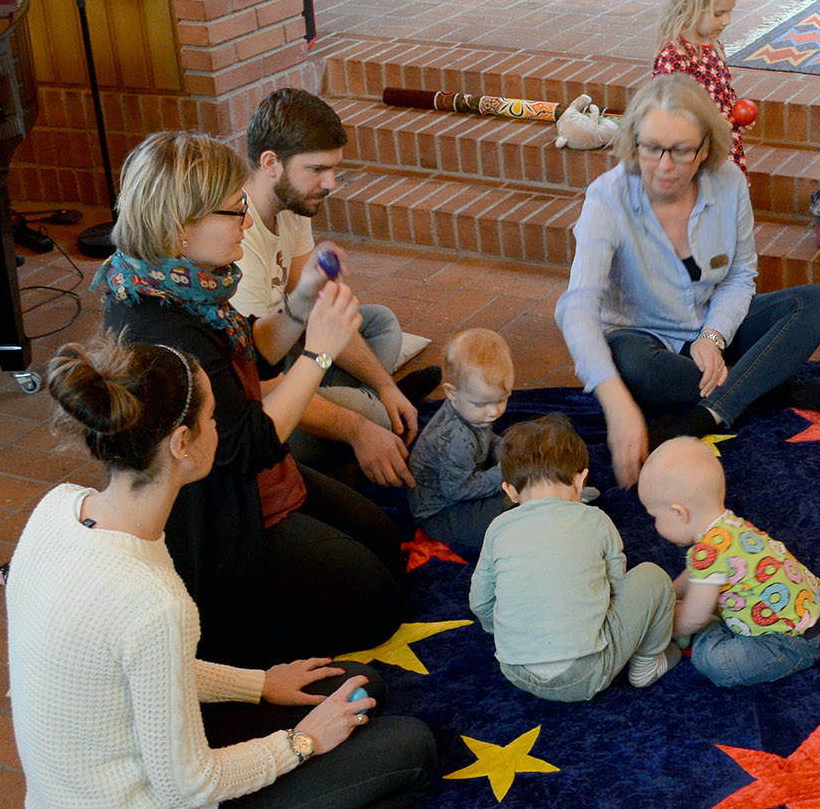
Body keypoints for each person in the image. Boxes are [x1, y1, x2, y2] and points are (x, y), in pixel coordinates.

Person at [6, 336, 435, 809]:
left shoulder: (59, 508)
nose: (227, 425)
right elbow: (188, 782)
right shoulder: (154, 601)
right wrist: (302, 744)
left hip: (87, 805)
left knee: (361, 689)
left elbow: (134, 668)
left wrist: (262, 686)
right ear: (182, 444)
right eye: (215, 416)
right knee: (412, 753)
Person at [98, 131, 406, 668]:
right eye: (234, 210)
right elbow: (248, 442)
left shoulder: (181, 284)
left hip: (253, 477)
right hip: (224, 512)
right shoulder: (160, 328)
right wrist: (319, 354)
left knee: (383, 544)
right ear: (180, 229)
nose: (246, 219)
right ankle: (234, 660)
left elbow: (252, 354)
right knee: (376, 605)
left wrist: (300, 303)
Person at [556, 74, 820, 489]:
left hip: (710, 331)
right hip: (640, 340)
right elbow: (577, 306)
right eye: (651, 148)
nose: (665, 166)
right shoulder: (607, 197)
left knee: (816, 303)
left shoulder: (728, 182)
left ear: (705, 148)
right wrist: (617, 407)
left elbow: (741, 275)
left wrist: (713, 336)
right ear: (633, 141)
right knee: (636, 368)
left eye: (682, 151)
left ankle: (704, 414)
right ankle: (767, 386)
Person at [236, 87, 434, 487]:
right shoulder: (237, 240)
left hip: (286, 349)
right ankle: (371, 415)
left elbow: (312, 309)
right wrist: (358, 428)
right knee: (371, 420)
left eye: (334, 169)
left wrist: (383, 383)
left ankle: (378, 396)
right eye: (317, 170)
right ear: (271, 162)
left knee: (379, 322)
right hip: (256, 400)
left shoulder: (292, 204)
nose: (331, 183)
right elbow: (256, 384)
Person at [469, 416, 678, 702]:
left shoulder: (498, 528)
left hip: (515, 669)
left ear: (511, 491)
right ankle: (646, 665)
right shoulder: (596, 520)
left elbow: (479, 601)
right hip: (586, 674)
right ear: (581, 480)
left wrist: (513, 629)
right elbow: (615, 589)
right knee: (654, 577)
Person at [637, 436, 820, 688]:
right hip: (812, 613)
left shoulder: (708, 553)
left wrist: (662, 627)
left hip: (789, 644)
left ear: (679, 513)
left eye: (655, 517)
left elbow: (693, 617)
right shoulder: (728, 526)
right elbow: (696, 574)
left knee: (715, 662)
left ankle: (713, 631)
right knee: (702, 599)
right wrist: (672, 592)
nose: (655, 525)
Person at [409, 328, 514, 552]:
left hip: (462, 485)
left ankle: (549, 492)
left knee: (517, 478)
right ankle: (546, 501)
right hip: (442, 513)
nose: (493, 412)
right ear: (452, 393)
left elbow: (484, 439)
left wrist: (502, 447)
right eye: (482, 404)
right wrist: (503, 471)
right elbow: (458, 490)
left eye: (502, 400)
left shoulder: (471, 412)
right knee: (507, 518)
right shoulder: (457, 439)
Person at [653, 0, 748, 174]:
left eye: (729, 11)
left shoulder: (714, 46)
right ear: (689, 8)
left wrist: (736, 112)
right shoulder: (674, 57)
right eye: (718, 13)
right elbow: (667, 112)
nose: (727, 20)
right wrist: (709, 126)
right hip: (695, 156)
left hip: (722, 147)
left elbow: (722, 91)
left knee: (727, 198)